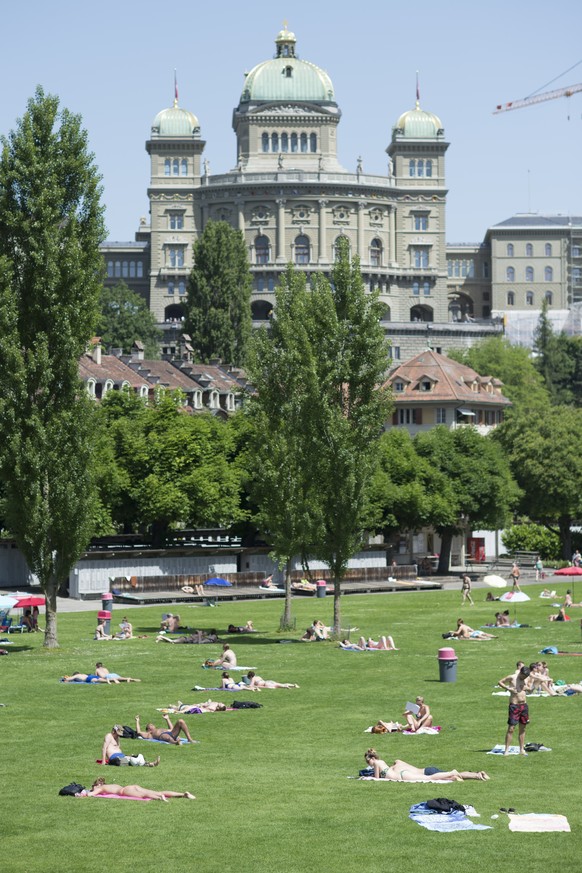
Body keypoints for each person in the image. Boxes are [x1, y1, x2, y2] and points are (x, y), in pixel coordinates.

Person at [362, 749, 489, 782]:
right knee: (458, 775)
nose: (370, 765)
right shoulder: (395, 765)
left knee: (449, 775)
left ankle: (454, 773)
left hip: (426, 772)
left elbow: (377, 779)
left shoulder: (382, 764)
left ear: (372, 759)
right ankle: (477, 775)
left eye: (369, 762)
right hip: (425, 770)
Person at [498, 664, 532, 755]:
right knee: (511, 728)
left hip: (524, 705)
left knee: (523, 728)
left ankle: (521, 749)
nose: (523, 678)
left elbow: (530, 690)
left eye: (525, 677)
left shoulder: (526, 679)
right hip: (514, 706)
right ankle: (506, 750)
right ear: (520, 672)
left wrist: (527, 688)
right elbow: (500, 682)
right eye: (522, 676)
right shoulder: (512, 677)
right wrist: (508, 688)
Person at [88, 776, 194, 801]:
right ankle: (183, 794)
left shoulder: (100, 788)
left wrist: (86, 793)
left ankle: (160, 798)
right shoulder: (108, 785)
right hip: (131, 786)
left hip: (125, 791)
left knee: (144, 796)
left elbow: (90, 794)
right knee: (158, 791)